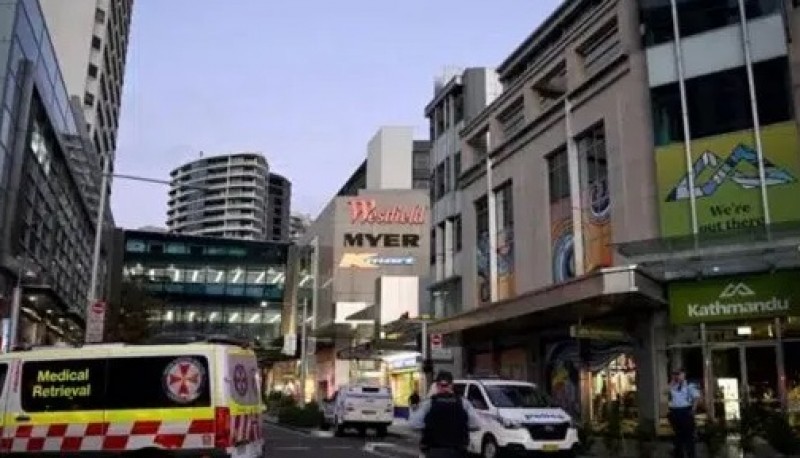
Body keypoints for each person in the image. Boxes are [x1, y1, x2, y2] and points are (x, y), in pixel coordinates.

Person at [409, 371, 480, 457]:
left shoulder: (429, 403)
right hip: (458, 452)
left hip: (434, 452)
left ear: (437, 386)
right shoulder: (463, 403)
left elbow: (414, 424)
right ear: (451, 385)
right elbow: (476, 425)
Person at [667, 369, 701, 458]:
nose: (677, 376)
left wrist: (693, 410)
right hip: (675, 412)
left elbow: (696, 397)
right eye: (675, 374)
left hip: (685, 411)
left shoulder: (689, 385)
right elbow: (665, 392)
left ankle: (691, 455)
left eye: (679, 374)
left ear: (684, 375)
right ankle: (679, 454)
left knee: (689, 436)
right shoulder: (673, 385)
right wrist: (672, 383)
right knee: (678, 436)